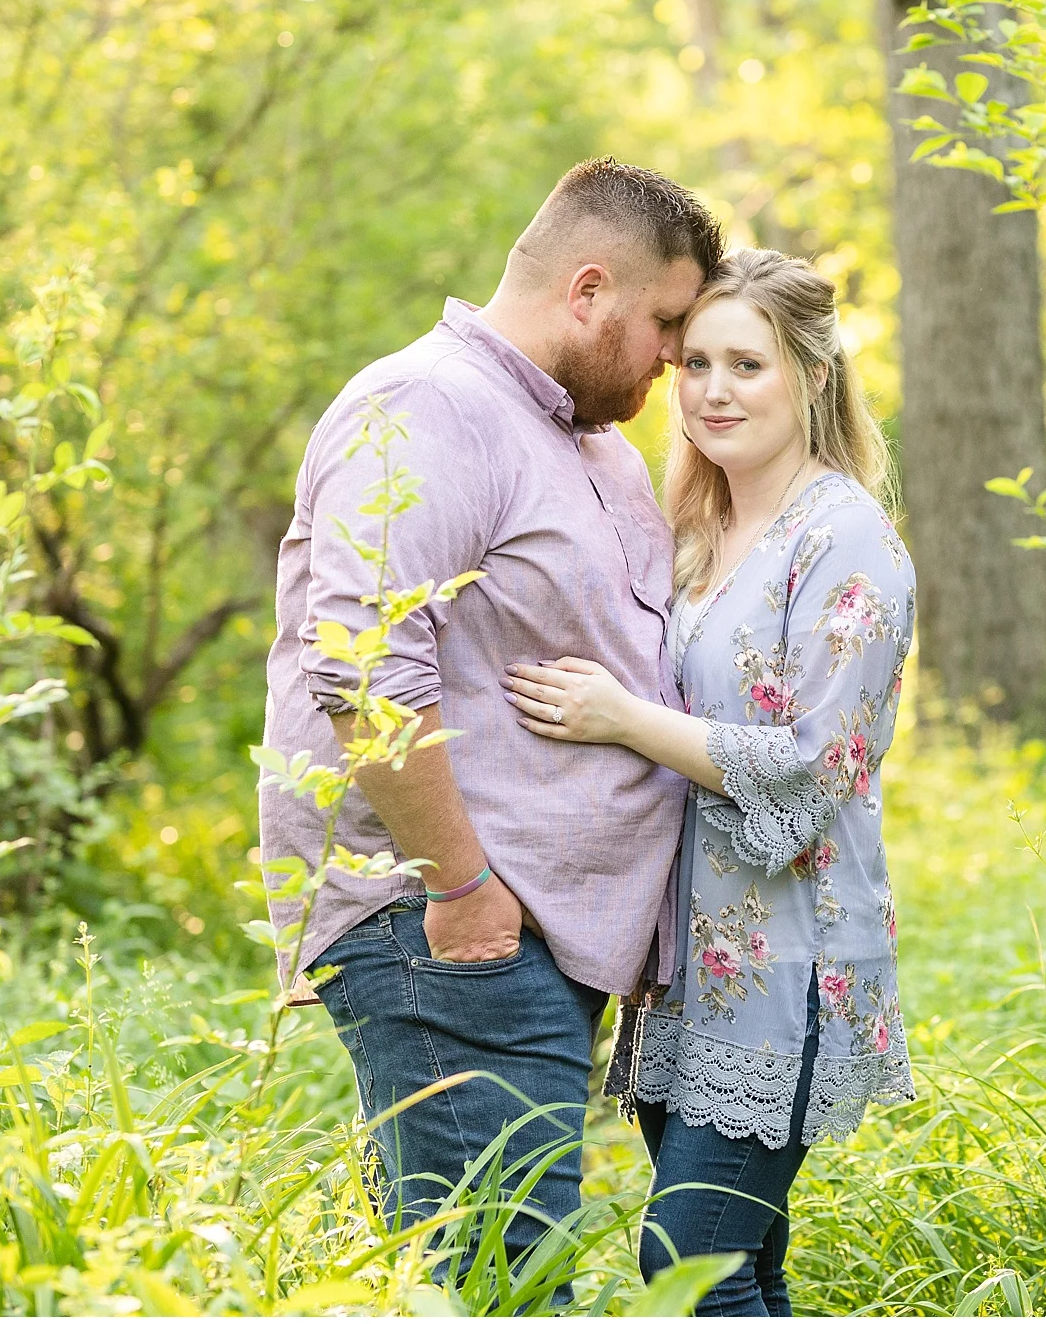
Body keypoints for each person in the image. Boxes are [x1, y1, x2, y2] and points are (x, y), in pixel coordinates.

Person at [258, 157, 723, 1265]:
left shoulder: (591, 442)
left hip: (535, 940)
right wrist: (463, 891)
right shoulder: (429, 406)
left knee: (494, 1267)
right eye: (665, 322)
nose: (675, 355)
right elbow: (363, 667)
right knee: (500, 1278)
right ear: (588, 289)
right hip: (454, 933)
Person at [499, 248, 915, 1316]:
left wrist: (623, 719)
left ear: (812, 376)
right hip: (685, 961)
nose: (714, 391)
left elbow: (819, 766)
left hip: (790, 958)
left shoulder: (846, 539)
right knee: (742, 1270)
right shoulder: (696, 531)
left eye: (747, 365)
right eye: (694, 364)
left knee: (687, 1264)